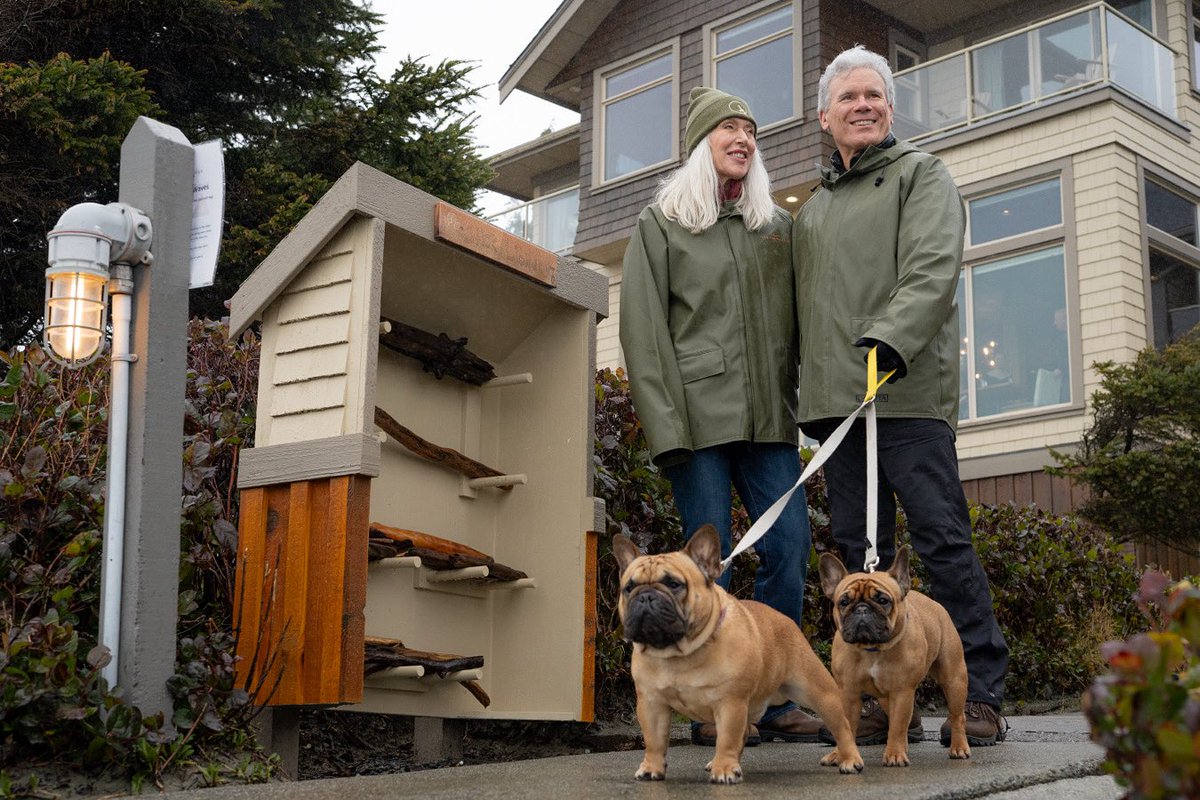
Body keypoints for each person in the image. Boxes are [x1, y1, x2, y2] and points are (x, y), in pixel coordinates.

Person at [792, 46, 1010, 747]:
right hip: (838, 406)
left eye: (874, 96)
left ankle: (978, 697)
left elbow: (933, 267)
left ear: (889, 109)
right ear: (824, 116)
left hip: (906, 392)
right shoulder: (814, 210)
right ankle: (879, 703)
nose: (863, 106)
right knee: (859, 552)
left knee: (942, 545)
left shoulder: (923, 176)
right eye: (848, 97)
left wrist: (889, 338)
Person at [620, 86, 818, 746]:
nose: (744, 139)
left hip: (769, 425)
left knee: (789, 544)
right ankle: (713, 709)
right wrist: (667, 430)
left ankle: (774, 697)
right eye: (729, 129)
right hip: (697, 426)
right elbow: (644, 335)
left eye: (750, 131)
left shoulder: (776, 229)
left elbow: (804, 323)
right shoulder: (663, 224)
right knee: (711, 570)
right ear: (701, 145)